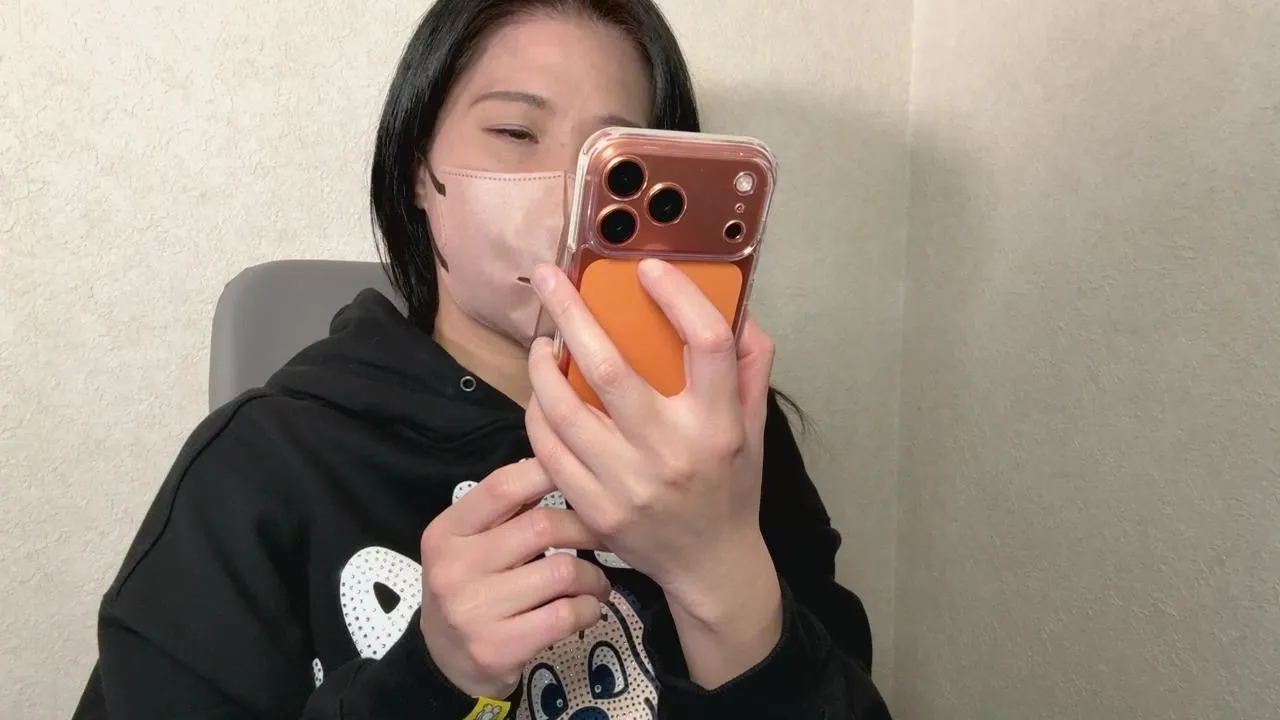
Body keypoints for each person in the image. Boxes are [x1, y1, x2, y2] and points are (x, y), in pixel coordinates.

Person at [71, 1, 891, 718]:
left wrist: (720, 576)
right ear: (418, 172)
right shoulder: (260, 464)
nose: (571, 193)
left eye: (613, 159)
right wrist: (429, 678)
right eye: (515, 133)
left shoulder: (720, 435)